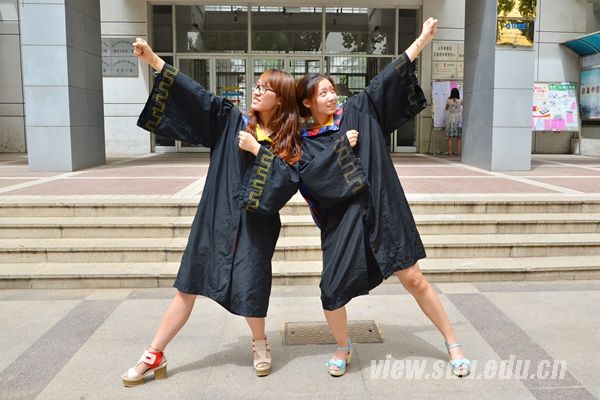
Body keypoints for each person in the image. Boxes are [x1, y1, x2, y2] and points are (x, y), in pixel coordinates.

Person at [296, 18, 471, 378]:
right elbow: (314, 181)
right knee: (331, 290)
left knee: (414, 279)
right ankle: (342, 346)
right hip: (344, 223)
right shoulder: (307, 143)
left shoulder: (358, 109)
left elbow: (388, 77)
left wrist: (421, 41)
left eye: (332, 90)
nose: (331, 96)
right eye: (323, 93)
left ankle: (453, 343)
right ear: (307, 102)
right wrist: (341, 148)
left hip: (383, 210)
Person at [121, 38, 301, 386]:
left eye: (264, 88)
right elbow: (197, 96)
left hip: (254, 228)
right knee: (187, 285)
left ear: (280, 98)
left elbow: (287, 182)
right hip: (216, 218)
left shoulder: (288, 141)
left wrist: (258, 151)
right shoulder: (231, 120)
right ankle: (154, 353)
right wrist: (155, 60)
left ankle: (259, 343)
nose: (256, 91)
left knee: (251, 285)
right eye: (256, 85)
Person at [444, 88, 463, 156]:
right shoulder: (460, 101)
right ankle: (458, 152)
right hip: (458, 119)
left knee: (449, 137)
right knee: (459, 137)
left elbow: (446, 108)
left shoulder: (449, 100)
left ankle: (449, 152)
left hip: (451, 119)